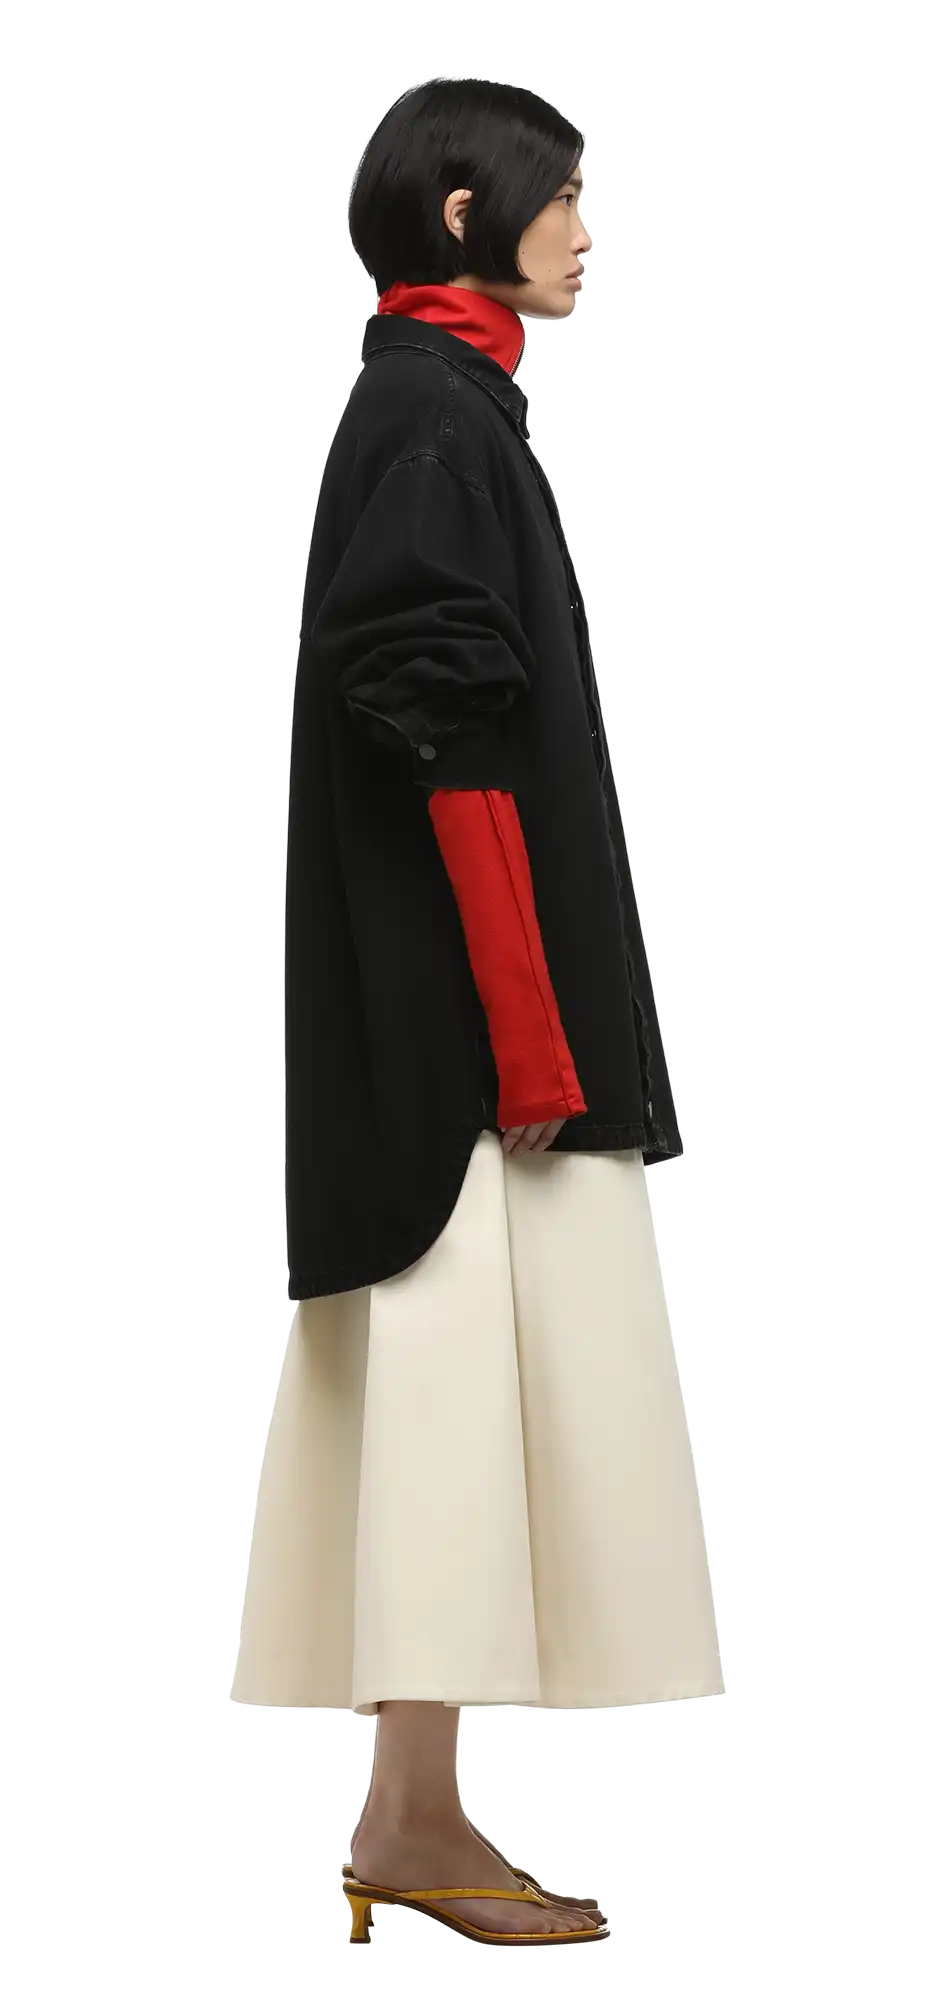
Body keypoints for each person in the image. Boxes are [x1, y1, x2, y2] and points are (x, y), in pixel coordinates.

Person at [229, 75, 726, 1947]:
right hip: (466, 1049)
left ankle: (409, 1821)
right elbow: (428, 717)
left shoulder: (442, 405)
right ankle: (412, 1828)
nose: (587, 235)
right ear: (463, 214)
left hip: (467, 1025)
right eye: (562, 197)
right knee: (448, 1412)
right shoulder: (432, 418)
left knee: (450, 1415)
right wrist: (526, 1036)